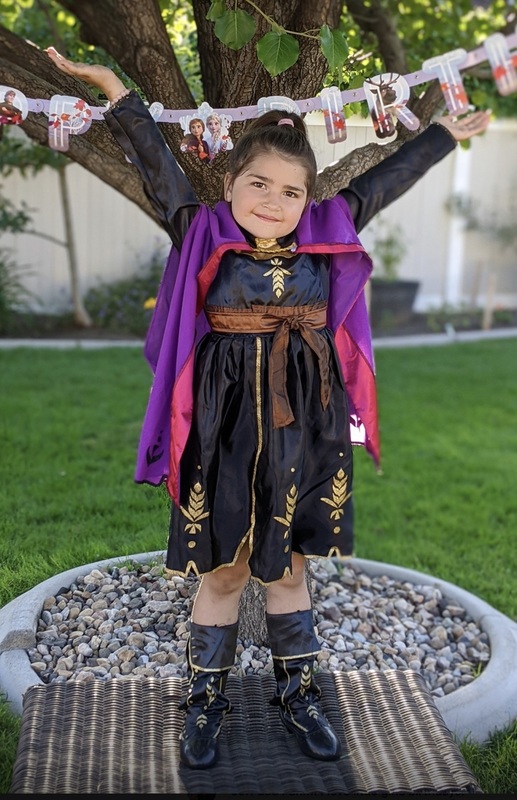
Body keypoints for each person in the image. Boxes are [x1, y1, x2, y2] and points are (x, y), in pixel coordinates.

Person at [45, 46, 491, 771]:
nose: (273, 202)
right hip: (220, 429)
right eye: (258, 184)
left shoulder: (327, 230)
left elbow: (385, 180)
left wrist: (444, 136)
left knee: (285, 570)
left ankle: (298, 693)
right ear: (229, 183)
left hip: (302, 427)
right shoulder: (202, 231)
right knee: (222, 571)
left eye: (290, 191)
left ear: (308, 198)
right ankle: (205, 701)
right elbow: (155, 160)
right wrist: (111, 89)